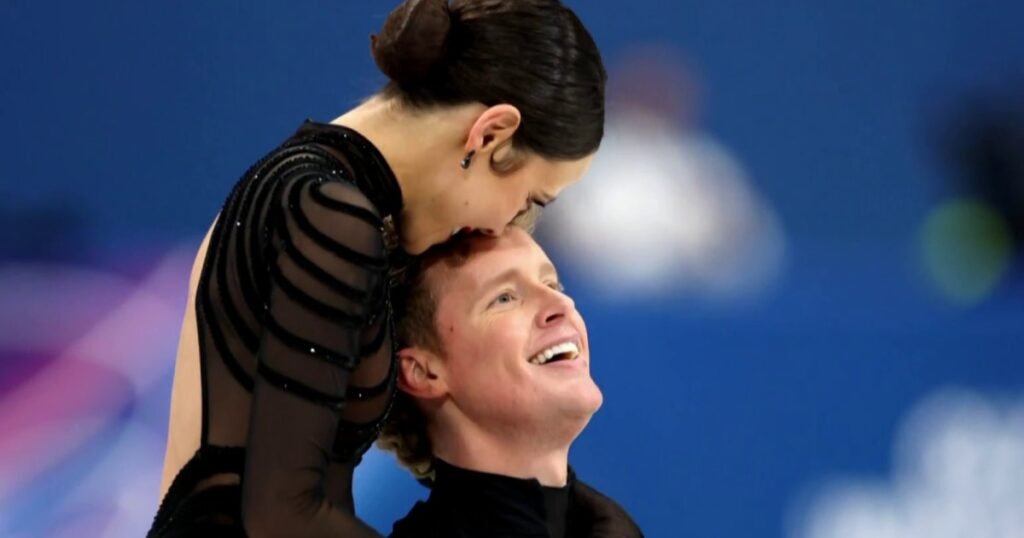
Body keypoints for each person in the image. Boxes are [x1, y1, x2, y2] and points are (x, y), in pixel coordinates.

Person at [148, 0, 606, 536]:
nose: (508, 223)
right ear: (489, 134)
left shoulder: (312, 191)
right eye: (531, 198)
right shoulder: (327, 216)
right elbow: (279, 515)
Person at [379, 226, 643, 537]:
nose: (562, 305)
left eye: (552, 284)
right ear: (422, 373)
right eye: (504, 298)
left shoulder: (610, 526)